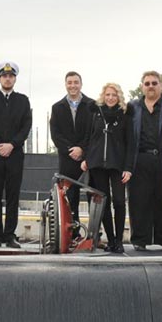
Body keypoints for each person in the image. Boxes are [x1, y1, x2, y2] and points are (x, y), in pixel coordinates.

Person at [0, 61, 32, 249]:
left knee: (12, 195)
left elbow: (26, 126)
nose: (7, 78)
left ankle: (10, 234)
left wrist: (12, 145)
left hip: (15, 154)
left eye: (11, 76)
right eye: (4, 76)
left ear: (15, 78)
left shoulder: (23, 101)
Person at [80, 83, 134, 253]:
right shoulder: (95, 114)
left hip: (117, 164)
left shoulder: (125, 116)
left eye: (114, 95)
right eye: (108, 94)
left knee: (119, 201)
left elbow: (130, 144)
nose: (110, 98)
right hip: (97, 164)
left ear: (119, 97)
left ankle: (119, 239)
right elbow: (89, 137)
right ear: (103, 96)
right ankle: (110, 240)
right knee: (104, 203)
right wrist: (86, 158)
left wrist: (128, 168)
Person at [127, 71, 162, 251]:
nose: (151, 86)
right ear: (142, 87)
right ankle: (140, 239)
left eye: (154, 83)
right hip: (140, 159)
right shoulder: (133, 107)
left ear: (161, 85)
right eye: (147, 83)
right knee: (139, 200)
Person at [49, 71, 94, 229]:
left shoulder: (92, 105)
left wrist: (82, 149)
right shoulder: (57, 108)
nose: (73, 85)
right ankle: (72, 233)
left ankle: (94, 234)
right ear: (65, 84)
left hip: (87, 158)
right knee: (70, 197)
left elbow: (93, 132)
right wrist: (70, 149)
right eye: (70, 82)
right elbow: (55, 134)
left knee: (92, 196)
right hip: (67, 160)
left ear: (81, 84)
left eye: (76, 82)